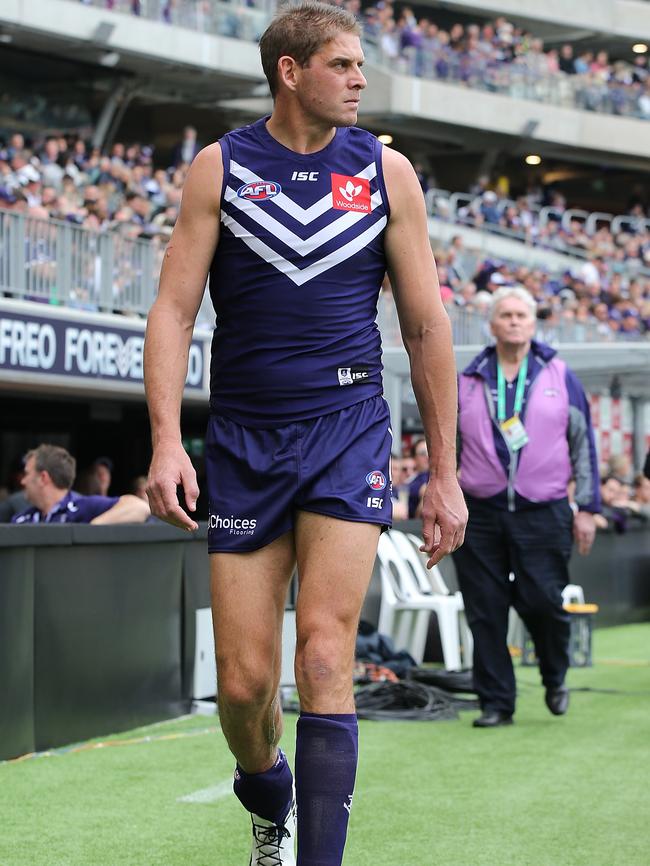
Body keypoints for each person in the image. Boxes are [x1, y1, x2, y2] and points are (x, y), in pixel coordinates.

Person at [143, 4, 467, 864]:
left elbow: (427, 329)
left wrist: (444, 472)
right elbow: (174, 313)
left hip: (349, 428)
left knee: (326, 657)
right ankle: (268, 797)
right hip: (245, 437)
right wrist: (169, 443)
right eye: (345, 65)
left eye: (362, 66)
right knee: (245, 686)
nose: (362, 80)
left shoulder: (388, 172)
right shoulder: (219, 167)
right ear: (292, 73)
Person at [453, 286, 600, 728]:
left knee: (542, 601)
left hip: (545, 509)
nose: (515, 321)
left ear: (534, 324)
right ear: (491, 325)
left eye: (522, 315)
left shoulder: (558, 373)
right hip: (480, 510)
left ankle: (555, 674)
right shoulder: (470, 377)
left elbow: (583, 444)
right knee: (485, 608)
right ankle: (496, 702)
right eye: (506, 315)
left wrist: (589, 508)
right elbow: (447, 441)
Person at [11, 444, 150, 525]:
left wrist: (90, 529)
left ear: (43, 478)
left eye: (27, 474)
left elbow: (139, 507)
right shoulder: (22, 519)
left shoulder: (82, 506)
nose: (23, 481)